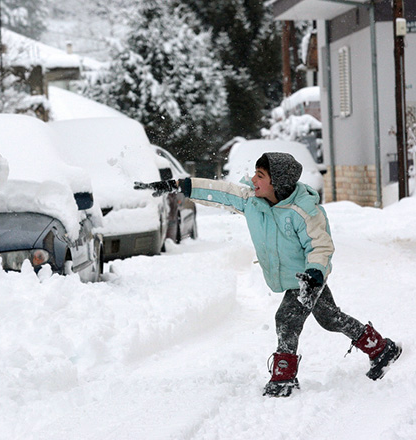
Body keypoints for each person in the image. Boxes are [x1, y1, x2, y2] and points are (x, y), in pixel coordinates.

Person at [134, 152, 402, 397]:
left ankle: (283, 377)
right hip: (296, 278)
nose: (253, 179)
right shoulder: (253, 201)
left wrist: (315, 274)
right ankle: (380, 349)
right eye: (255, 173)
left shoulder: (303, 210)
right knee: (330, 318)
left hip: (308, 278)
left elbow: (320, 245)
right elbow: (223, 191)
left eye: (260, 176)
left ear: (278, 183)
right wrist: (179, 185)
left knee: (286, 318)